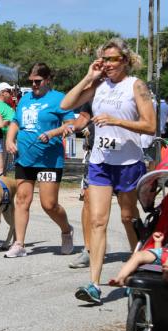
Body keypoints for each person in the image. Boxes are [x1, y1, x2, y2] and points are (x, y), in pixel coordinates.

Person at [60, 38, 155, 304]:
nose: (108, 64)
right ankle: (94, 284)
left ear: (124, 60)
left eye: (112, 59)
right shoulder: (99, 85)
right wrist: (88, 76)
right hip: (101, 162)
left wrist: (116, 121)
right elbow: (66, 105)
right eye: (104, 59)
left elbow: (150, 126)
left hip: (128, 164)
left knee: (127, 217)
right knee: (97, 221)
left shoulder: (136, 86)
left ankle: (135, 268)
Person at [4, 62, 75, 258]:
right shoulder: (25, 99)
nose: (34, 85)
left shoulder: (59, 99)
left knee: (49, 204)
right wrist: (10, 140)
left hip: (49, 159)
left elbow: (71, 124)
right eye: (31, 81)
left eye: (38, 81)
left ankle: (66, 230)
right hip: (25, 158)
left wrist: (53, 132)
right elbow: (15, 122)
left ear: (48, 80)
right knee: (22, 200)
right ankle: (19, 243)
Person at [68, 104, 94, 269]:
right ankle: (89, 251)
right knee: (88, 201)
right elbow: (83, 117)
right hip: (95, 154)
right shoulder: (92, 91)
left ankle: (138, 253)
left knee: (127, 214)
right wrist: (70, 127)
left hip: (123, 157)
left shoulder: (130, 88)